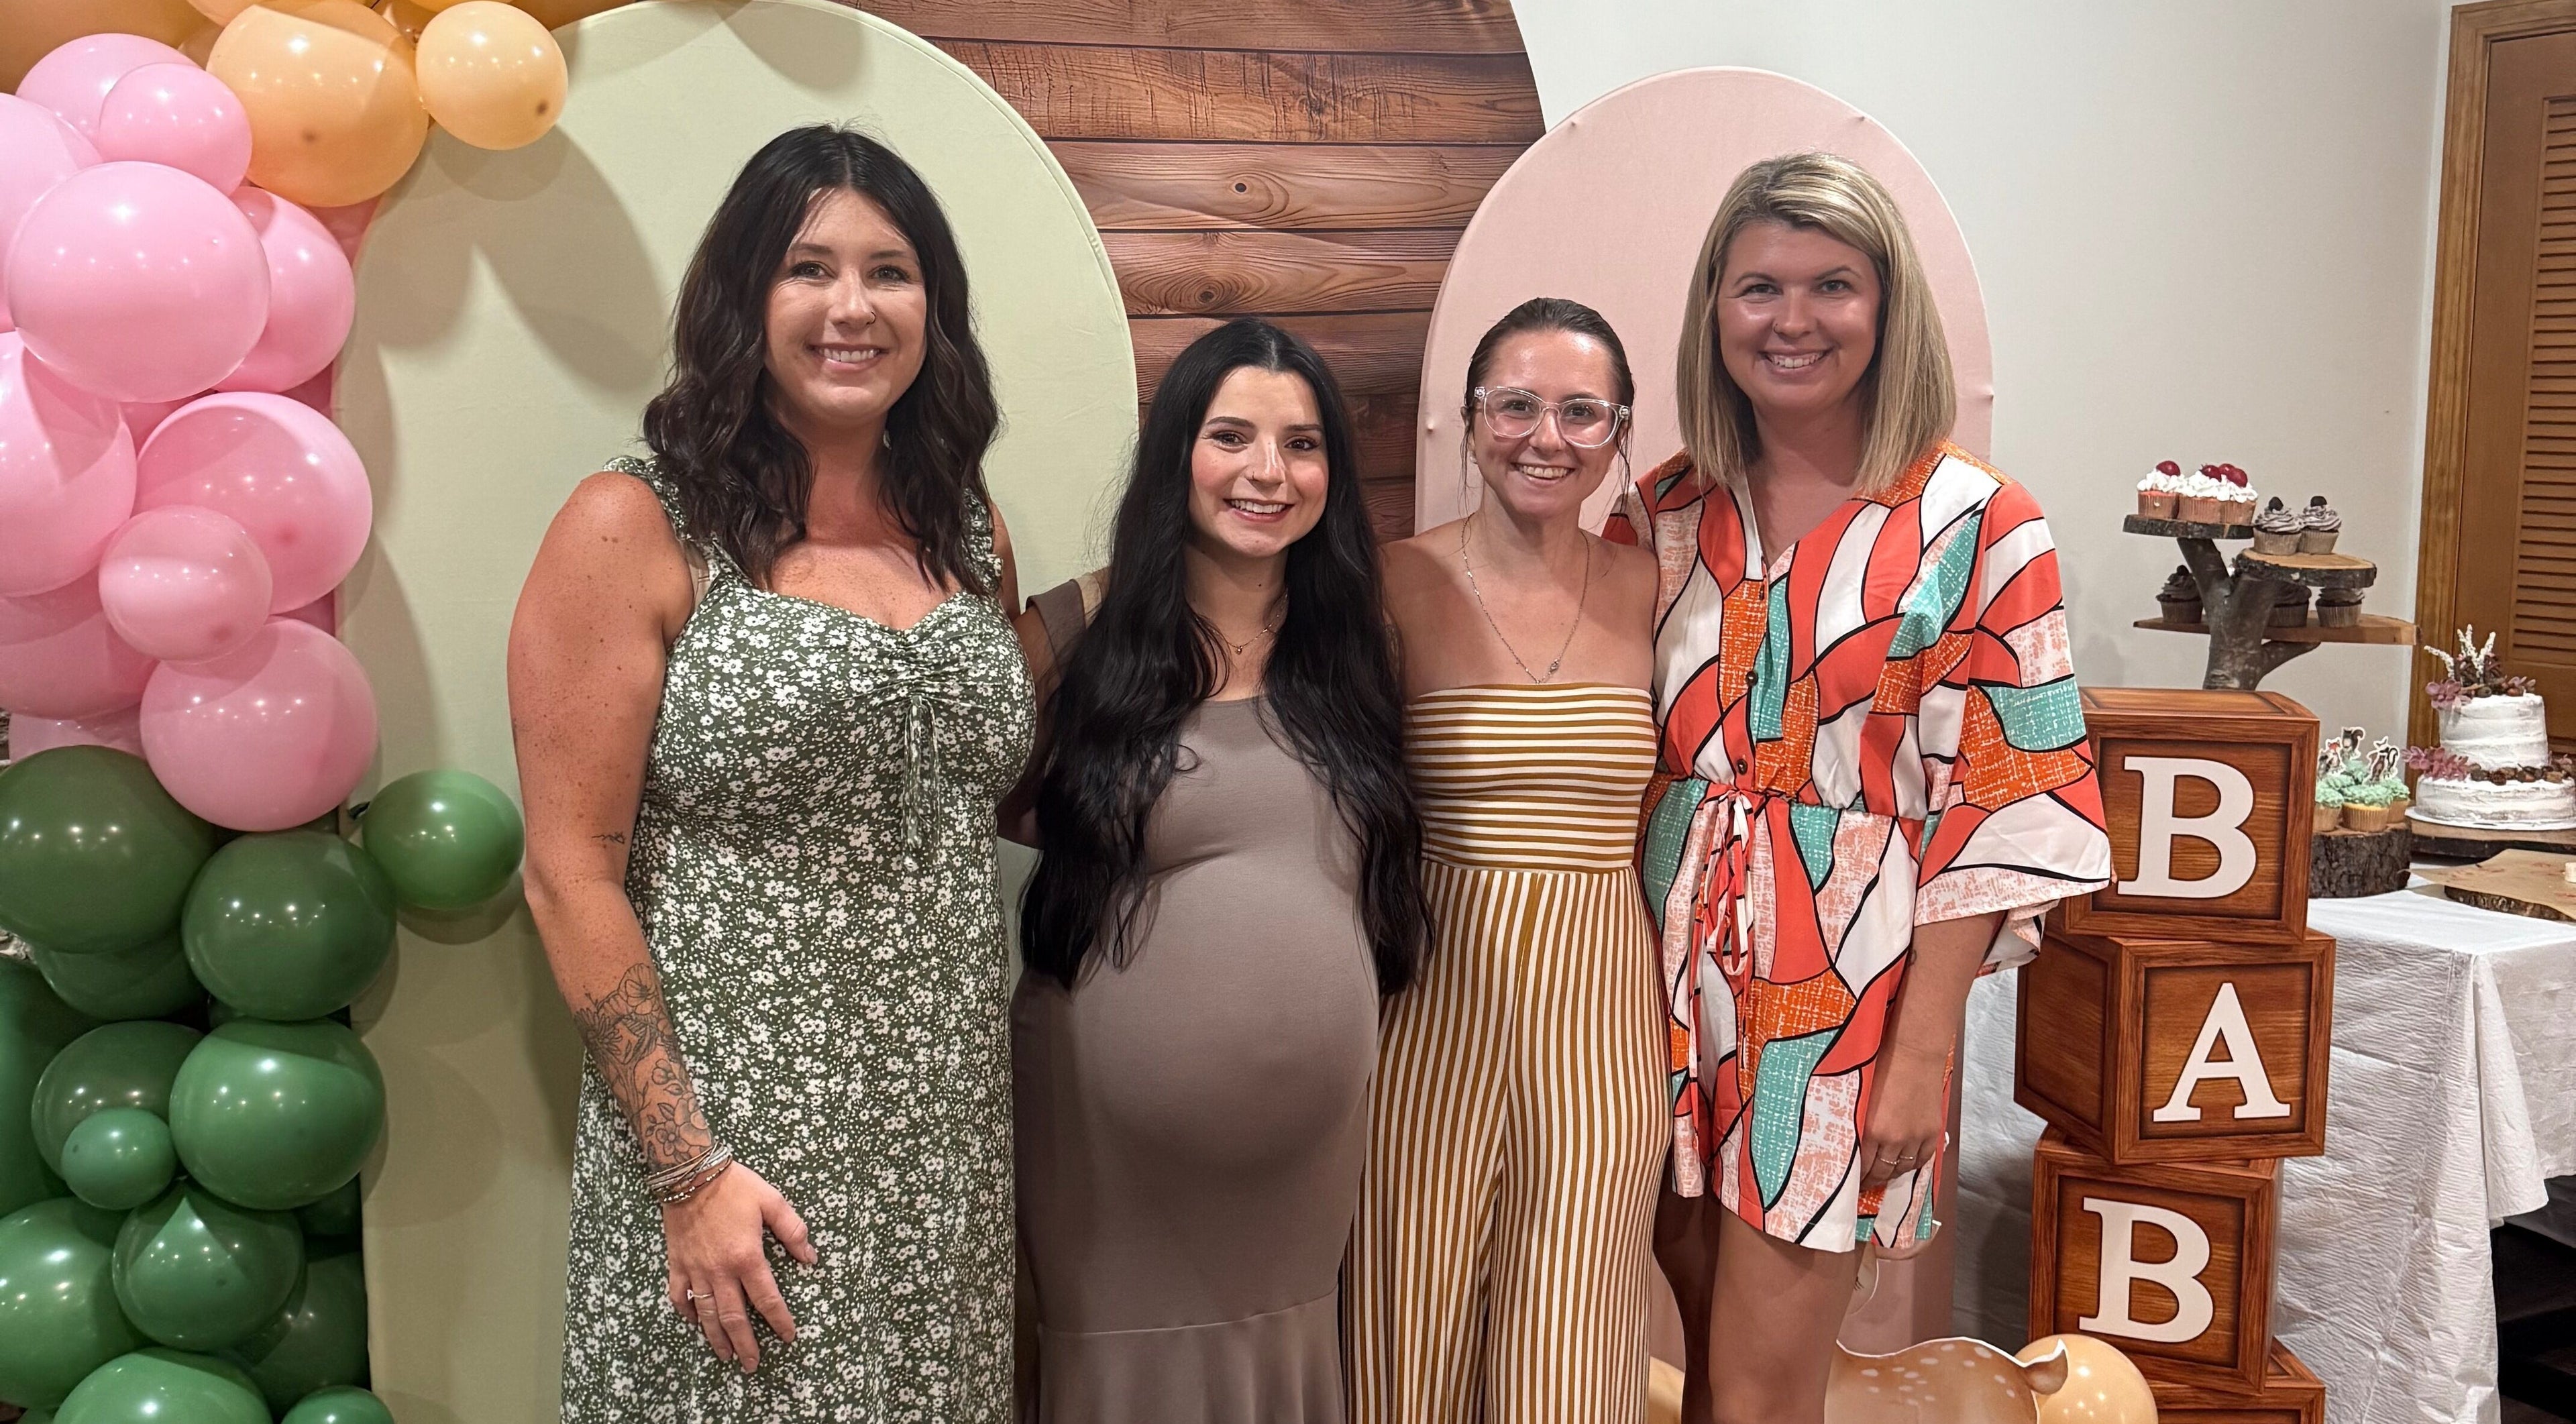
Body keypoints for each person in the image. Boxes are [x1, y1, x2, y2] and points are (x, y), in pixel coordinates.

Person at [511, 125, 1031, 1422]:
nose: (852, 307)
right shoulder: (634, 523)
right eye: (809, 268)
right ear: (743, 298)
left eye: (891, 271)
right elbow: (568, 873)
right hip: (736, 1147)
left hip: (945, 1133)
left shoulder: (968, 524)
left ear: (935, 309)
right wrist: (687, 1175)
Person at [1613, 153, 2112, 1424]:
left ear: (1888, 311)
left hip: (1843, 987)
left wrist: (1919, 1051)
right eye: (1758, 287)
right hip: (1653, 962)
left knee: (1767, 1382)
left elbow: (2004, 801)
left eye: (1834, 285)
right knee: (1697, 1329)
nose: (1793, 321)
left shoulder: (1982, 524)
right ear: (1712, 312)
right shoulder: (1668, 508)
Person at [1010, 317, 1428, 1423]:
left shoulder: (1359, 649)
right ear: (1175, 455)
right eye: (1230, 435)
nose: (1267, 473)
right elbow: (961, 793)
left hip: (1303, 1187)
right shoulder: (1077, 630)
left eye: (1301, 444)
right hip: (1111, 1169)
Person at [1346, 298, 1666, 1423]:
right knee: (1400, 1332)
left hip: (1604, 1014)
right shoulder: (1386, 582)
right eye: (1518, 405)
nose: (1548, 437)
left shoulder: (1657, 587)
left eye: (1584, 413)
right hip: (1428, 1001)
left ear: (1621, 432)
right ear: (1469, 419)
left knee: (1570, 1354)